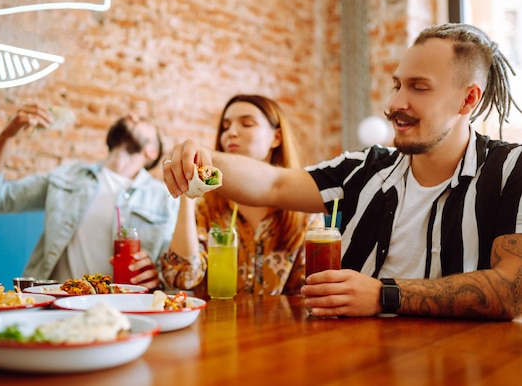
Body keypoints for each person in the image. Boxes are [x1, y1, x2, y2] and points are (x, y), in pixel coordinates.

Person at [162, 23, 522, 320]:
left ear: (468, 99)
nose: (395, 103)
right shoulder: (363, 169)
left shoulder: (510, 169)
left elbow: (512, 291)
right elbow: (273, 184)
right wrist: (204, 156)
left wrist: (385, 295)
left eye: (419, 87)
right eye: (397, 85)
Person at [0, 107, 178, 290]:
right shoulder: (66, 177)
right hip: (54, 305)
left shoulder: (165, 198)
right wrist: (7, 135)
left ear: (152, 151)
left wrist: (156, 277)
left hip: (123, 312)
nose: (131, 114)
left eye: (141, 121)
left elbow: (174, 274)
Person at [161, 95, 323, 296]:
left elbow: (311, 292)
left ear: (276, 138)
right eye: (225, 127)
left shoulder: (304, 212)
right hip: (216, 325)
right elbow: (182, 277)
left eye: (247, 124)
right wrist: (188, 188)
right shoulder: (207, 207)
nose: (231, 133)